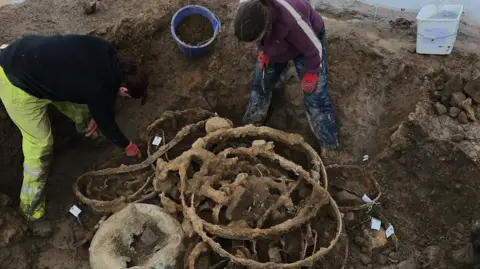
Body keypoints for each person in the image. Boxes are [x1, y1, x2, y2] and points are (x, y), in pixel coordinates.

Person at [0, 34, 148, 234]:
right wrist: (128, 146)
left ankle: (86, 138)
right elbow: (107, 124)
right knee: (40, 145)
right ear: (123, 89)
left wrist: (99, 109)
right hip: (16, 81)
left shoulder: (107, 50)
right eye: (126, 95)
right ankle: (30, 210)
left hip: (30, 52)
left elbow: (101, 98)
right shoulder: (98, 88)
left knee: (81, 109)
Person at [233, 0, 339, 151]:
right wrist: (264, 50)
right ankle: (249, 129)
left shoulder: (293, 19)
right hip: (274, 43)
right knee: (261, 85)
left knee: (315, 99)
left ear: (267, 25)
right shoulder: (247, 7)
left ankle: (330, 147)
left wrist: (312, 73)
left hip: (307, 46)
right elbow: (256, 34)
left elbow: (314, 49)